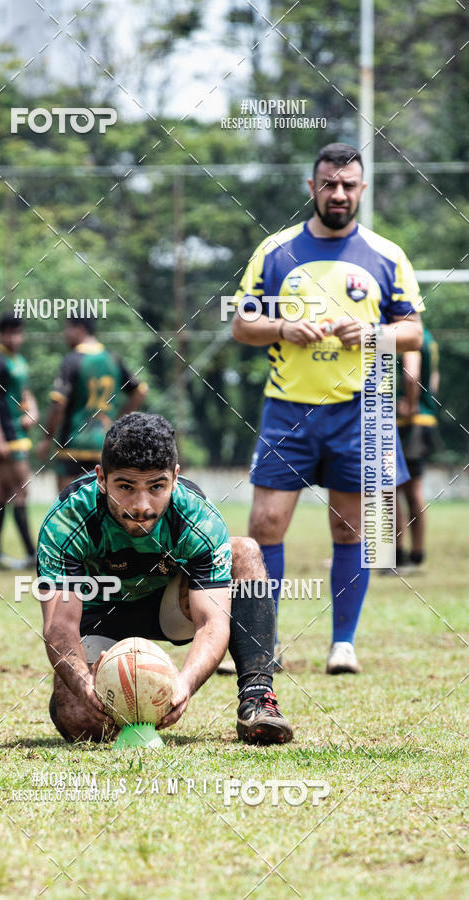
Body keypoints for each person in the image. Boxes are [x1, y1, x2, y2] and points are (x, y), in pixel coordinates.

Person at [230, 142, 424, 674]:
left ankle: (343, 644)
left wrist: (373, 332)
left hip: (359, 410)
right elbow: (242, 325)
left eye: (348, 184)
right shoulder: (275, 251)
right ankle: (261, 644)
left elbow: (412, 333)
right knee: (265, 524)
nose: (338, 193)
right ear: (311, 187)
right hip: (287, 409)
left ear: (362, 189)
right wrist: (283, 327)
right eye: (328, 183)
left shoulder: (387, 255)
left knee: (351, 530)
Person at [37, 412, 294, 745]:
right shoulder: (68, 519)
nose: (141, 505)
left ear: (175, 477)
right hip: (97, 618)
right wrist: (85, 685)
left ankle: (258, 700)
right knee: (81, 722)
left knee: (244, 552)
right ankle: (109, 698)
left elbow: (212, 623)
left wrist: (184, 685)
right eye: (125, 487)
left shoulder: (197, 516)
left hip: (168, 610)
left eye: (156, 486)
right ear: (101, 478)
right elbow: (60, 627)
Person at [37, 317, 146, 492]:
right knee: (101, 503)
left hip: (73, 443)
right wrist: (118, 422)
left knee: (69, 507)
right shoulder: (113, 359)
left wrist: (46, 438)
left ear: (79, 329)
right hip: (104, 444)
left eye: (67, 329)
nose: (65, 335)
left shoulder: (72, 360)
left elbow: (58, 404)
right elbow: (139, 391)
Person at [0, 311, 39, 569]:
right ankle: (32, 554)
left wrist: (33, 411)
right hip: (7, 437)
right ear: (1, 334)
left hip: (19, 433)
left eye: (19, 333)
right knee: (22, 491)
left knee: (4, 492)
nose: (16, 338)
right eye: (11, 333)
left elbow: (25, 392)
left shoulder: (19, 360)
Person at [395, 327, 440, 569]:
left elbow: (412, 375)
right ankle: (417, 553)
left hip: (407, 423)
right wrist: (424, 405)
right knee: (414, 490)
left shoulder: (407, 333)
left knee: (393, 490)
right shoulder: (429, 338)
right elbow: (433, 380)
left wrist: (411, 406)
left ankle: (398, 554)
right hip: (425, 420)